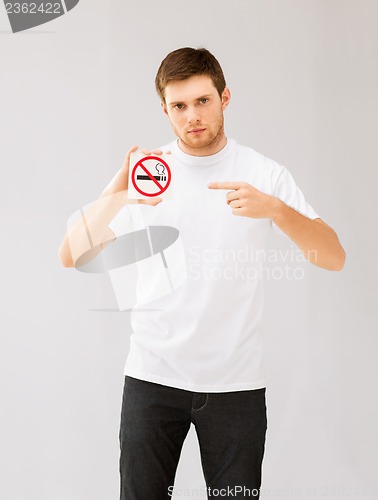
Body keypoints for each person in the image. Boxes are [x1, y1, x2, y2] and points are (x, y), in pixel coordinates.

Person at [59, 47, 346, 499]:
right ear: (165, 109)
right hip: (153, 378)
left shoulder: (262, 174)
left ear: (225, 97)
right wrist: (117, 189)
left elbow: (333, 256)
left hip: (236, 384)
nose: (192, 116)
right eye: (179, 105)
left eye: (202, 101)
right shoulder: (148, 175)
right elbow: (71, 254)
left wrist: (274, 209)